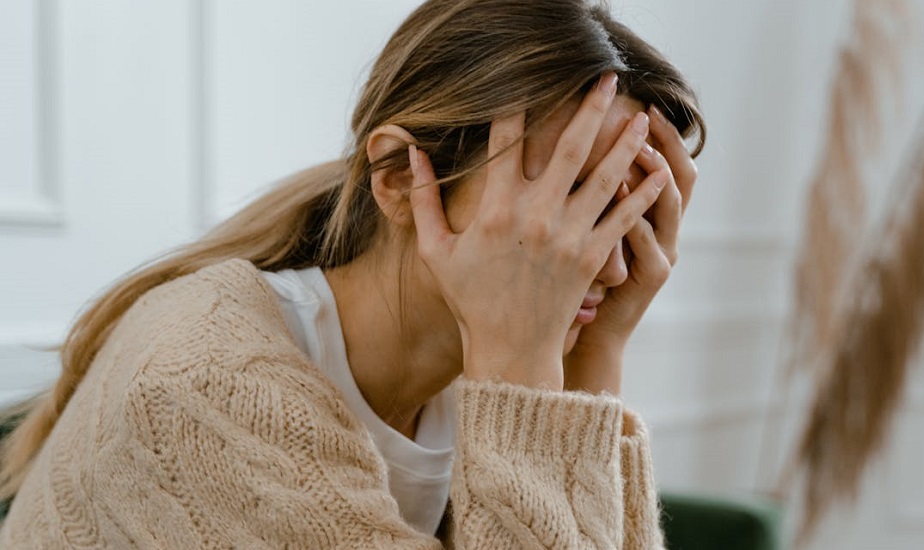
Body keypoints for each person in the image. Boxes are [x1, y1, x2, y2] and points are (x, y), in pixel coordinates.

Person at [0, 0, 705, 547]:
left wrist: (596, 354)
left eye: (630, 214)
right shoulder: (206, 387)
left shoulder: (489, 360)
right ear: (399, 178)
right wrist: (532, 368)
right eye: (562, 202)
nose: (606, 261)